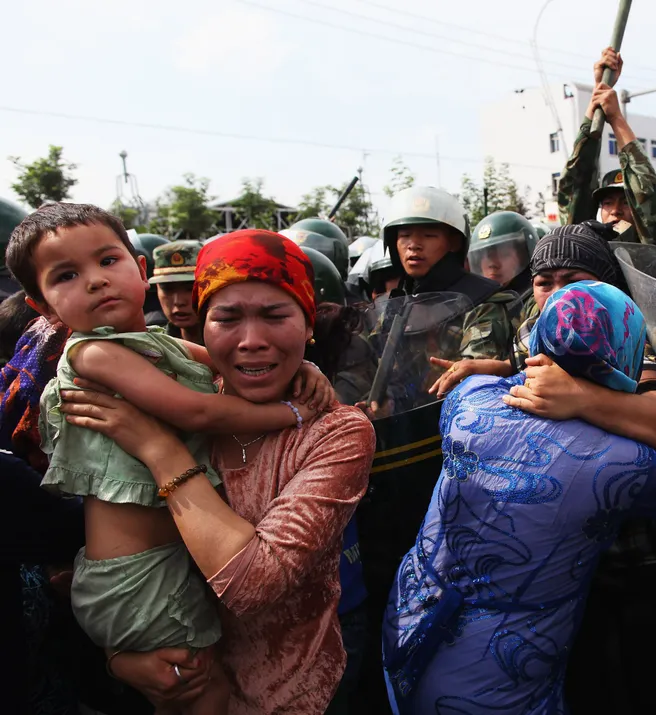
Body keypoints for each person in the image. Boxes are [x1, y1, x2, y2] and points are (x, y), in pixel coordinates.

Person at [7, 208, 334, 713]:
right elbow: (197, 410)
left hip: (165, 566)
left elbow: (230, 364)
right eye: (67, 275)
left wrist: (303, 364)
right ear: (41, 305)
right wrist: (288, 411)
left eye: (107, 260)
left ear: (139, 269)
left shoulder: (159, 344)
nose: (95, 281)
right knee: (203, 694)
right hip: (137, 575)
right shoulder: (93, 354)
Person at [382, 281, 656, 713]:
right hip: (502, 668)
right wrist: (651, 376)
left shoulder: (470, 398)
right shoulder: (628, 462)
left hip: (409, 616)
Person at [556, 48, 656, 248]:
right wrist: (598, 94)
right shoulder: (588, 253)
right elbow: (574, 189)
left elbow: (648, 197)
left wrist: (616, 117)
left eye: (625, 202)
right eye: (607, 203)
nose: (616, 211)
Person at [382, 186, 515, 361]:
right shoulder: (396, 305)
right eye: (405, 235)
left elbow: (476, 372)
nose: (413, 245)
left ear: (454, 243)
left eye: (429, 235)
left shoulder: (481, 301)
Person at [468, 211, 540, 326]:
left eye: (503, 254)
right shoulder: (472, 304)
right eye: (485, 256)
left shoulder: (538, 301)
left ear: (526, 255)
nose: (492, 264)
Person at [150, 240, 204, 344]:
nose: (178, 301)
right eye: (167, 289)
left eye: (190, 289)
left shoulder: (233, 344)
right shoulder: (155, 348)